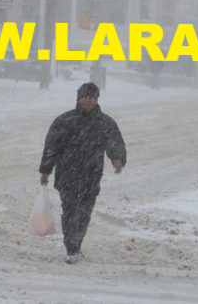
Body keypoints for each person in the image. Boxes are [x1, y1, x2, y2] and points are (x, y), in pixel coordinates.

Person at [39, 82, 126, 264]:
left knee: (84, 213)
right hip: (67, 175)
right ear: (78, 99)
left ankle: (77, 244)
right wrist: (46, 170)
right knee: (69, 211)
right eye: (84, 97)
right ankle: (71, 247)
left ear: (96, 100)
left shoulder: (105, 123)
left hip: (91, 176)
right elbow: (51, 146)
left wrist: (117, 159)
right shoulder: (65, 121)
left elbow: (114, 142)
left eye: (91, 98)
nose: (87, 101)